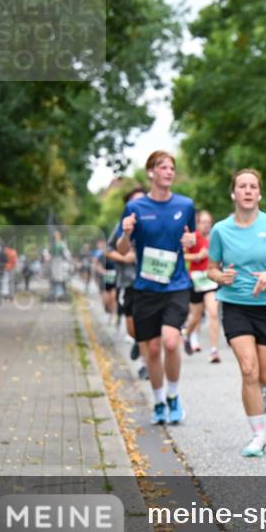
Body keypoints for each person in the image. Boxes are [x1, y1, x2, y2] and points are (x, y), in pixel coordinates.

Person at [207, 169, 266, 457]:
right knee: (248, 369)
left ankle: (261, 392)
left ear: (259, 194)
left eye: (252, 187)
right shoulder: (220, 230)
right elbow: (211, 267)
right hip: (235, 305)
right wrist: (219, 276)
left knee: (265, 376)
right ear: (233, 193)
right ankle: (258, 436)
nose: (247, 191)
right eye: (242, 186)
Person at [116, 151, 197, 425]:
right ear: (151, 172)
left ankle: (174, 396)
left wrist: (190, 241)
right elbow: (122, 248)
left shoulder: (185, 205)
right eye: (163, 167)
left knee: (171, 341)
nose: (169, 172)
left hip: (176, 284)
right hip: (146, 286)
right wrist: (126, 233)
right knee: (151, 348)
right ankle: (159, 400)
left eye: (172, 168)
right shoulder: (135, 209)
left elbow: (191, 238)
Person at [109, 188, 149, 379]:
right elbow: (108, 251)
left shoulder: (153, 224)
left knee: (148, 324)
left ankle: (145, 365)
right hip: (128, 281)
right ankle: (136, 340)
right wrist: (125, 258)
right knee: (133, 326)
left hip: (149, 282)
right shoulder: (121, 226)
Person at [183, 209, 221, 363]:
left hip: (211, 279)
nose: (206, 225)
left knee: (213, 313)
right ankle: (187, 335)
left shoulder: (214, 238)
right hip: (196, 280)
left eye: (209, 222)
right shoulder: (192, 237)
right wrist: (197, 256)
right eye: (203, 222)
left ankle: (214, 351)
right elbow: (182, 255)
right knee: (195, 316)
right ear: (197, 224)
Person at [93, 239, 117, 317]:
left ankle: (113, 315)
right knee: (106, 299)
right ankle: (107, 311)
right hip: (103, 280)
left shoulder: (114, 256)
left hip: (113, 279)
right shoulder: (100, 257)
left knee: (113, 298)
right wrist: (104, 272)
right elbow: (97, 266)